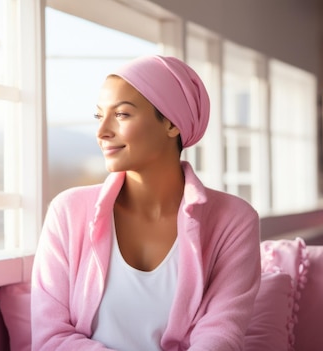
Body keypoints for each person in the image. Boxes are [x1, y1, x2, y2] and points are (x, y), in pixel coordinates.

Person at [31, 55, 261, 350]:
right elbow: (50, 338)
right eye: (99, 116)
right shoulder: (67, 212)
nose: (102, 133)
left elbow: (221, 336)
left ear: (171, 124)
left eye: (122, 115)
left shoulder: (234, 220)